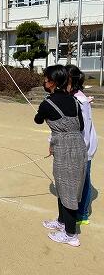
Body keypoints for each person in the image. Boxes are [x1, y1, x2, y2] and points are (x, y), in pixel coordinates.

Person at [34, 65, 87, 247]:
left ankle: (71, 235)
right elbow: (79, 126)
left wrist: (44, 113)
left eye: (46, 78)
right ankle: (61, 222)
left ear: (53, 82)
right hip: (77, 147)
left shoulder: (47, 104)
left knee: (69, 190)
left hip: (66, 150)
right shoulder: (74, 101)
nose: (44, 81)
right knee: (62, 186)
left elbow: (38, 119)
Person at [66, 65, 97, 225]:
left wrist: (78, 151)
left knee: (83, 181)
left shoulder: (80, 101)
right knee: (78, 180)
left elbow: (84, 130)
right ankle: (78, 210)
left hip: (83, 149)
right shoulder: (75, 97)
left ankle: (82, 213)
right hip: (78, 148)